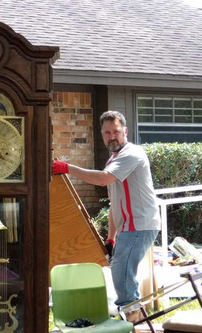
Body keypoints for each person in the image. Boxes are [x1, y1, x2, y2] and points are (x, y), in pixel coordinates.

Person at [52, 111, 160, 322]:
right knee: (121, 272)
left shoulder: (132, 154)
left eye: (116, 132)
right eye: (107, 133)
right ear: (102, 135)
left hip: (140, 224)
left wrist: (67, 168)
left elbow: (103, 180)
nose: (112, 137)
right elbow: (114, 205)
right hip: (130, 227)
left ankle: (132, 325)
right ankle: (131, 321)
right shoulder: (114, 159)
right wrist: (111, 238)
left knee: (122, 273)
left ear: (125, 132)